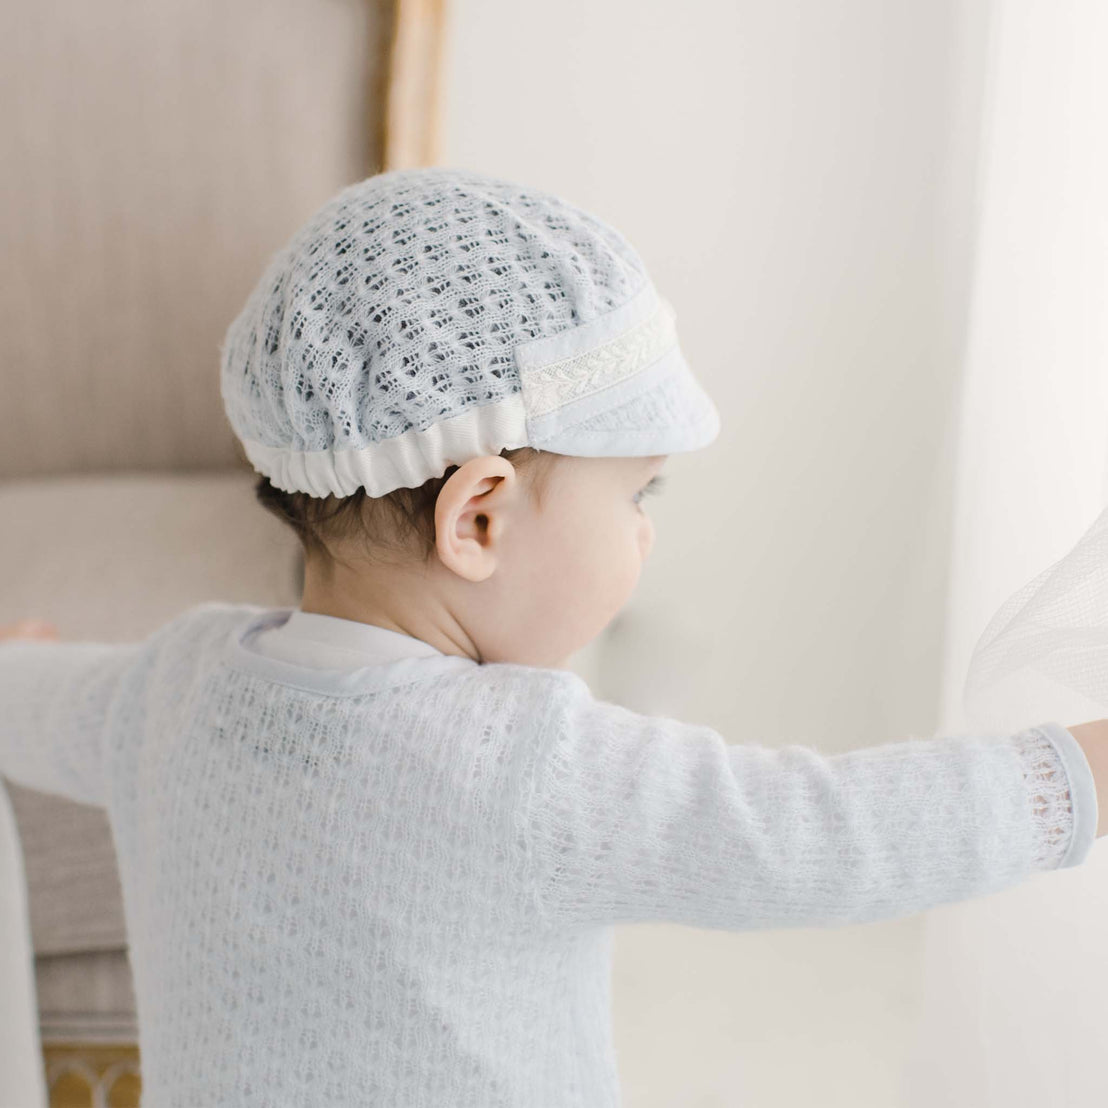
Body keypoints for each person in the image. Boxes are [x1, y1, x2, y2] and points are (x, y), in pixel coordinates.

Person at [1, 166, 1106, 1108]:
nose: (643, 537)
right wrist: (1076, 776)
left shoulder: (167, 687)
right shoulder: (531, 765)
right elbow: (822, 835)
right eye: (641, 495)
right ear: (476, 518)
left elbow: (29, 699)